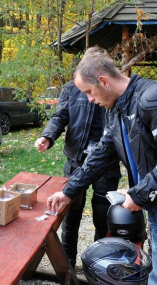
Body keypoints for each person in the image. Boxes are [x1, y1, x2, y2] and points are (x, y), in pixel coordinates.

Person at [47, 46, 157, 285]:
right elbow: (102, 153)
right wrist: (68, 190)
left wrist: (139, 194)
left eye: (89, 92)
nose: (90, 100)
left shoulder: (156, 98)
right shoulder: (118, 108)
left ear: (103, 81)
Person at [34, 80, 121, 267]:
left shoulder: (112, 89)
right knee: (70, 213)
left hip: (106, 161)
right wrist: (47, 136)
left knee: (103, 215)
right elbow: (59, 117)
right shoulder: (71, 89)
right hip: (75, 159)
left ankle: (98, 264)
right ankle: (67, 263)